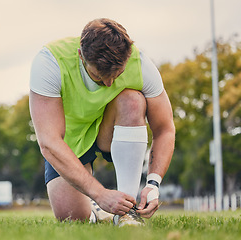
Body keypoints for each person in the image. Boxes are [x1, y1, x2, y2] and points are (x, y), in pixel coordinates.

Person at [29, 18, 175, 226]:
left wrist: (153, 183)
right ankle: (96, 210)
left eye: (118, 75)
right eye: (99, 76)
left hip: (110, 128)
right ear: (81, 55)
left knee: (133, 100)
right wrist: (100, 194)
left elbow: (165, 128)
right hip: (69, 142)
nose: (109, 84)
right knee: (72, 217)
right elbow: (49, 142)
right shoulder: (49, 62)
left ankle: (127, 213)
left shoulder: (141, 64)